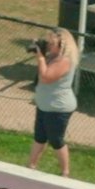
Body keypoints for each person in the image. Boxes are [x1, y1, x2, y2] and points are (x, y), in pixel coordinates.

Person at [27, 28, 79, 176]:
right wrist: (39, 49)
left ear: (62, 44)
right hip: (45, 105)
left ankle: (65, 172)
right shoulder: (53, 57)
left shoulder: (64, 61)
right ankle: (31, 166)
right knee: (39, 137)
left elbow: (46, 77)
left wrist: (41, 58)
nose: (49, 46)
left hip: (58, 107)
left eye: (52, 43)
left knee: (56, 140)